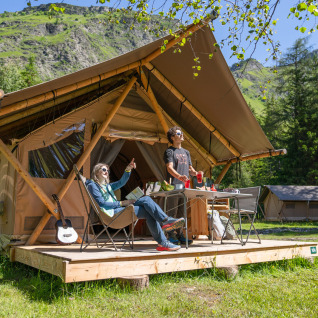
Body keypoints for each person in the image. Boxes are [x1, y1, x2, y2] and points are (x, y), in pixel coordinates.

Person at [86, 159, 185, 251]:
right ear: (96, 171)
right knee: (147, 204)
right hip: (112, 215)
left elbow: (121, 182)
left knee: (146, 203)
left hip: (118, 209)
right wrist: (122, 203)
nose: (106, 172)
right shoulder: (93, 185)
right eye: (103, 169)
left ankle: (164, 236)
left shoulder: (107, 186)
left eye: (108, 170)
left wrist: (128, 169)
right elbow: (102, 203)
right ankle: (165, 225)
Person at [163, 126, 198, 245]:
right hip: (173, 186)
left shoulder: (186, 152)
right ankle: (171, 235)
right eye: (178, 133)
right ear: (172, 137)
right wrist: (179, 176)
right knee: (172, 212)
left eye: (181, 133)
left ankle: (180, 234)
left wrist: (196, 173)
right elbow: (169, 167)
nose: (181, 134)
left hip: (184, 187)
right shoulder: (170, 151)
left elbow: (190, 169)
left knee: (182, 213)